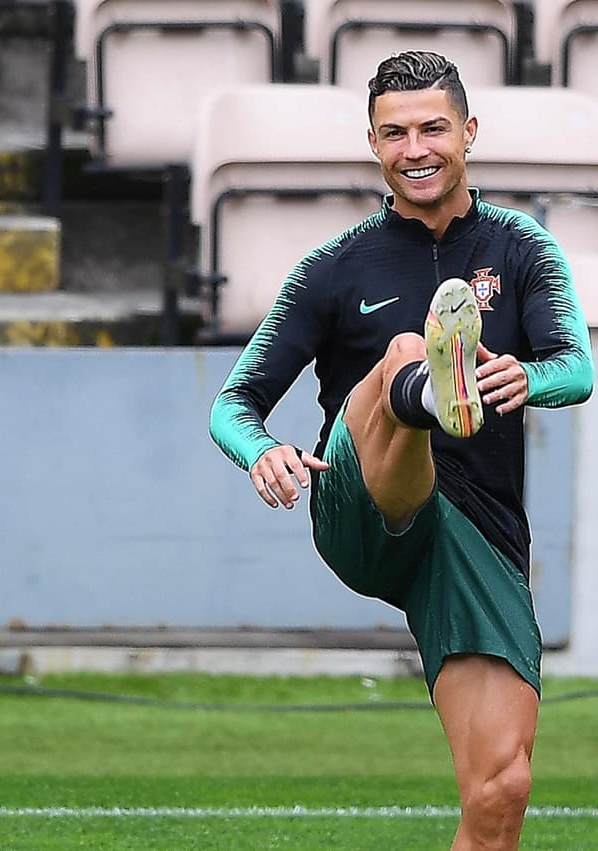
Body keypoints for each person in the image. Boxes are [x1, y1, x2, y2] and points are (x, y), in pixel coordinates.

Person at [209, 51, 592, 850]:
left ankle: (441, 382)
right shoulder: (331, 266)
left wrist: (530, 376)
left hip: (473, 532)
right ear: (374, 143)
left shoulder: (521, 247)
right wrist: (260, 451)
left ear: (469, 132)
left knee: (502, 789)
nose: (415, 148)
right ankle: (424, 388)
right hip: (360, 500)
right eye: (394, 133)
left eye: (432, 129)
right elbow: (233, 403)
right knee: (403, 349)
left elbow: (578, 366)